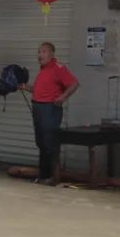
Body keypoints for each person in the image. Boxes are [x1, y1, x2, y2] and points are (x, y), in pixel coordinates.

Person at [21, 41, 79, 185]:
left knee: (49, 143)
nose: (40, 55)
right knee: (41, 143)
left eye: (44, 51)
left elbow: (74, 84)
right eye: (39, 52)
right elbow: (39, 91)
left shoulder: (58, 68)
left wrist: (63, 97)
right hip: (38, 108)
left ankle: (50, 177)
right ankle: (43, 175)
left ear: (52, 54)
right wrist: (24, 87)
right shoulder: (43, 71)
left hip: (50, 109)